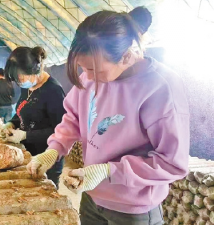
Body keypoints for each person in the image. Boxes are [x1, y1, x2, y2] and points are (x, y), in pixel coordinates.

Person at [26, 6, 190, 225]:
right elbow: (73, 118)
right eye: (83, 68)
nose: (87, 77)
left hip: (132, 210)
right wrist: (54, 150)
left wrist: (109, 171)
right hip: (92, 199)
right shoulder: (89, 79)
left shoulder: (161, 89)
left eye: (96, 70)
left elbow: (172, 163)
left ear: (126, 57)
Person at [2, 46, 66, 188]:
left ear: (34, 70)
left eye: (20, 78)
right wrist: (11, 123)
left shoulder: (53, 91)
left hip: (46, 159)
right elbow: (23, 111)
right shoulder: (28, 87)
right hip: (28, 155)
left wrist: (25, 135)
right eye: (16, 80)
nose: (19, 83)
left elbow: (60, 131)